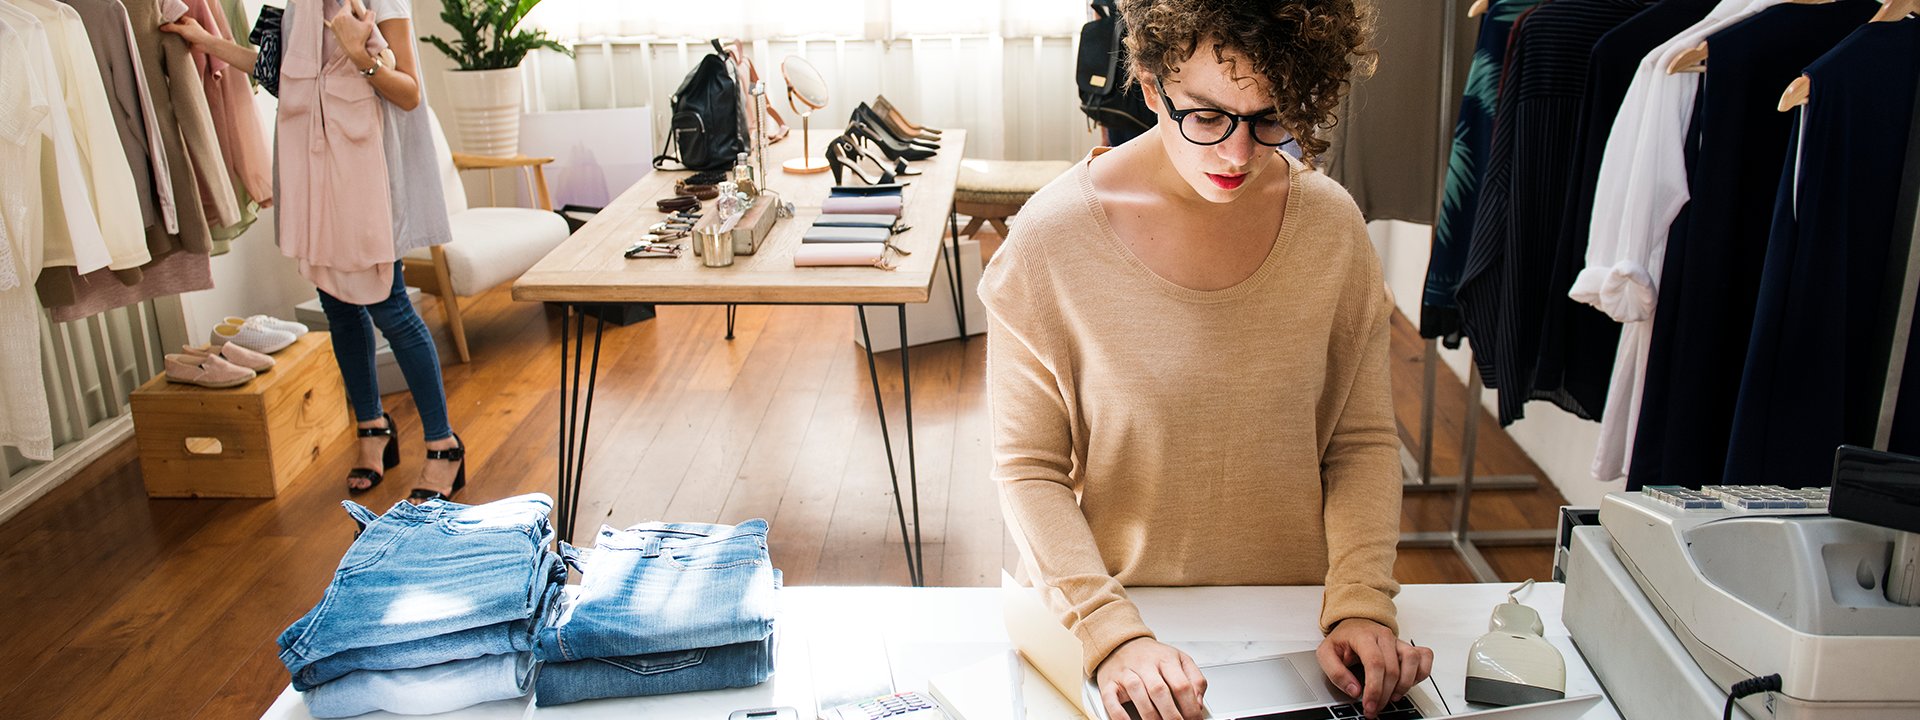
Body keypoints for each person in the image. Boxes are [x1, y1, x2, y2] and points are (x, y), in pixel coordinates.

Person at [978, 2, 1432, 719]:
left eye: (1271, 117)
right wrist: (1109, 634)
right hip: (1131, 628)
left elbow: (1360, 440)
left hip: (1304, 629)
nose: (1238, 154)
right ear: (1154, 87)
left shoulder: (1332, 227)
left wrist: (1361, 604)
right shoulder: (1049, 243)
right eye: (1208, 116)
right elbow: (1027, 468)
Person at [162, 0, 465, 501]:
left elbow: (408, 93)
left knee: (389, 305)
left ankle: (443, 444)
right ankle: (372, 428)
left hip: (367, 175)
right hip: (313, 172)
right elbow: (283, 74)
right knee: (337, 307)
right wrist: (208, 41)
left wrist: (357, 51)